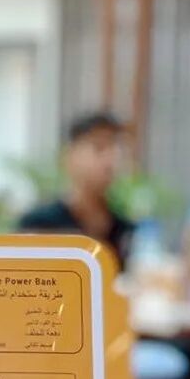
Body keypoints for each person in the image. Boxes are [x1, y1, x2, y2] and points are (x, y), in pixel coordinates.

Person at [18, 110, 134, 267]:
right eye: (99, 148)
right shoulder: (39, 224)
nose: (110, 161)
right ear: (70, 156)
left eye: (116, 151)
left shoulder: (125, 229)